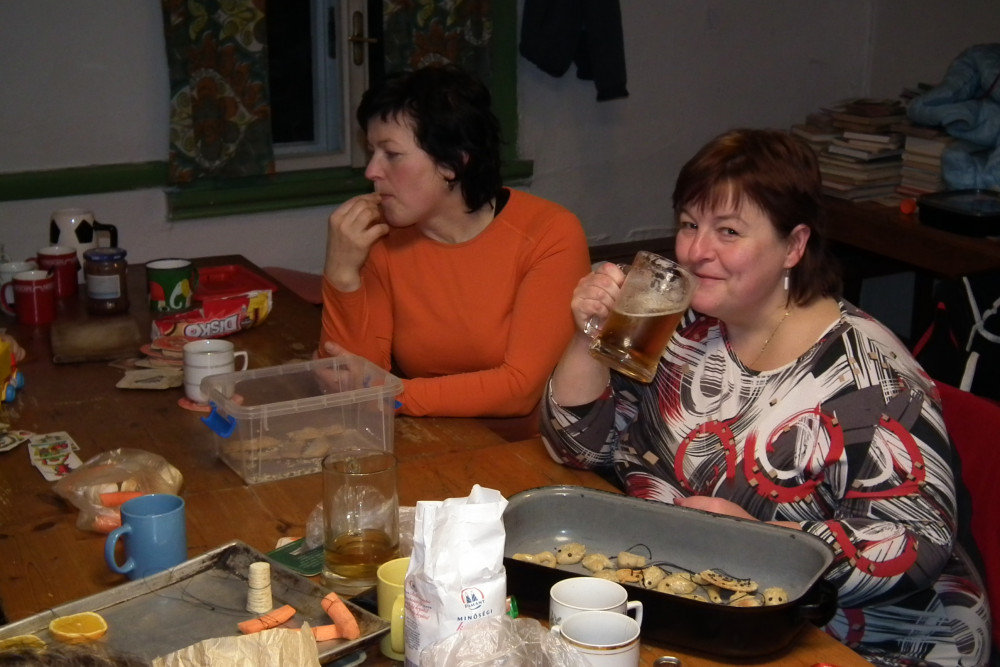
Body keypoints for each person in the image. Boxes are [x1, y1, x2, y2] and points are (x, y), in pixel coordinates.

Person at [540, 128, 992, 666]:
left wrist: (761, 541)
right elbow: (578, 448)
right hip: (707, 607)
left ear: (794, 246)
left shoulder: (871, 380)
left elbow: (919, 542)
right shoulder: (685, 325)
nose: (696, 251)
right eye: (689, 224)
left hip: (862, 639)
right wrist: (589, 335)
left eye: (728, 231)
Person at [319, 64, 591, 422]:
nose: (372, 171)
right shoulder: (381, 236)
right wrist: (341, 275)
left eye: (391, 154)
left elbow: (521, 389)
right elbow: (346, 383)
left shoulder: (549, 234)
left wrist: (394, 397)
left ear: (453, 164)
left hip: (528, 446)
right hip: (433, 435)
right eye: (371, 152)